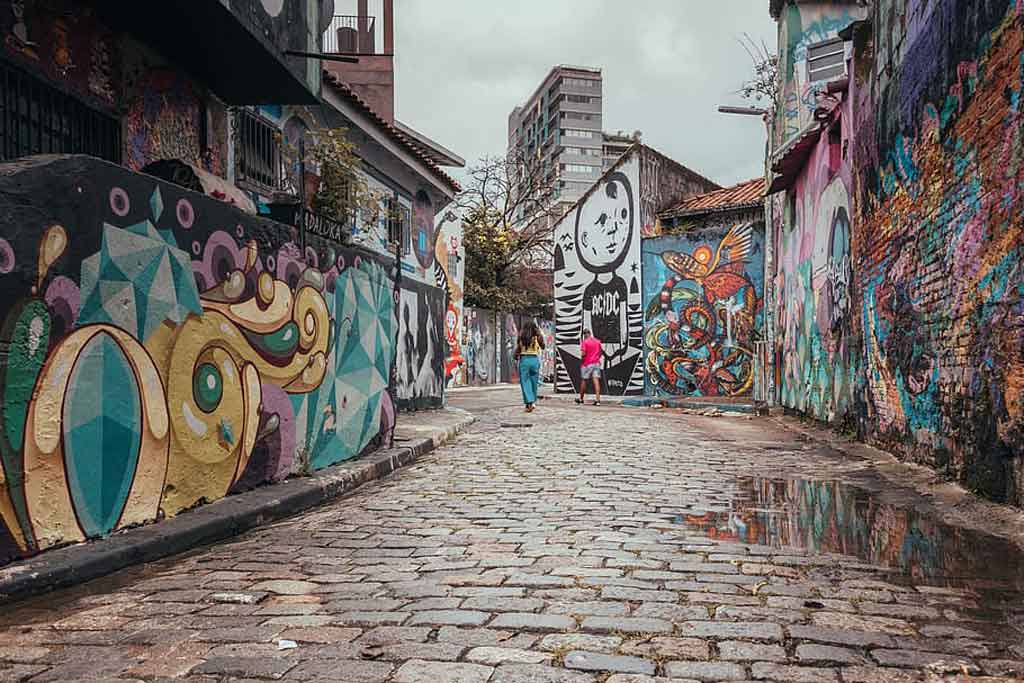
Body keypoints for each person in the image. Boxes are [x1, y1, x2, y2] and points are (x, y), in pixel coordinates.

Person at [514, 321, 545, 413]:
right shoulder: (537, 337)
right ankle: (532, 402)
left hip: (524, 360)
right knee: (533, 382)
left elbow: (518, 349)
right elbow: (543, 346)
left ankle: (529, 403)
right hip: (535, 360)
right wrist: (539, 334)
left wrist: (515, 356)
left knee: (525, 382)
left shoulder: (521, 337)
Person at [577, 329, 603, 406]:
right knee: (596, 381)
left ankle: (581, 399)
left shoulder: (585, 342)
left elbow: (583, 354)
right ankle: (598, 400)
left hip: (587, 363)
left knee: (584, 380)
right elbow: (600, 352)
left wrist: (582, 361)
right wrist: (597, 358)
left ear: (584, 335)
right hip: (596, 363)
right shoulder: (597, 341)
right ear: (590, 333)